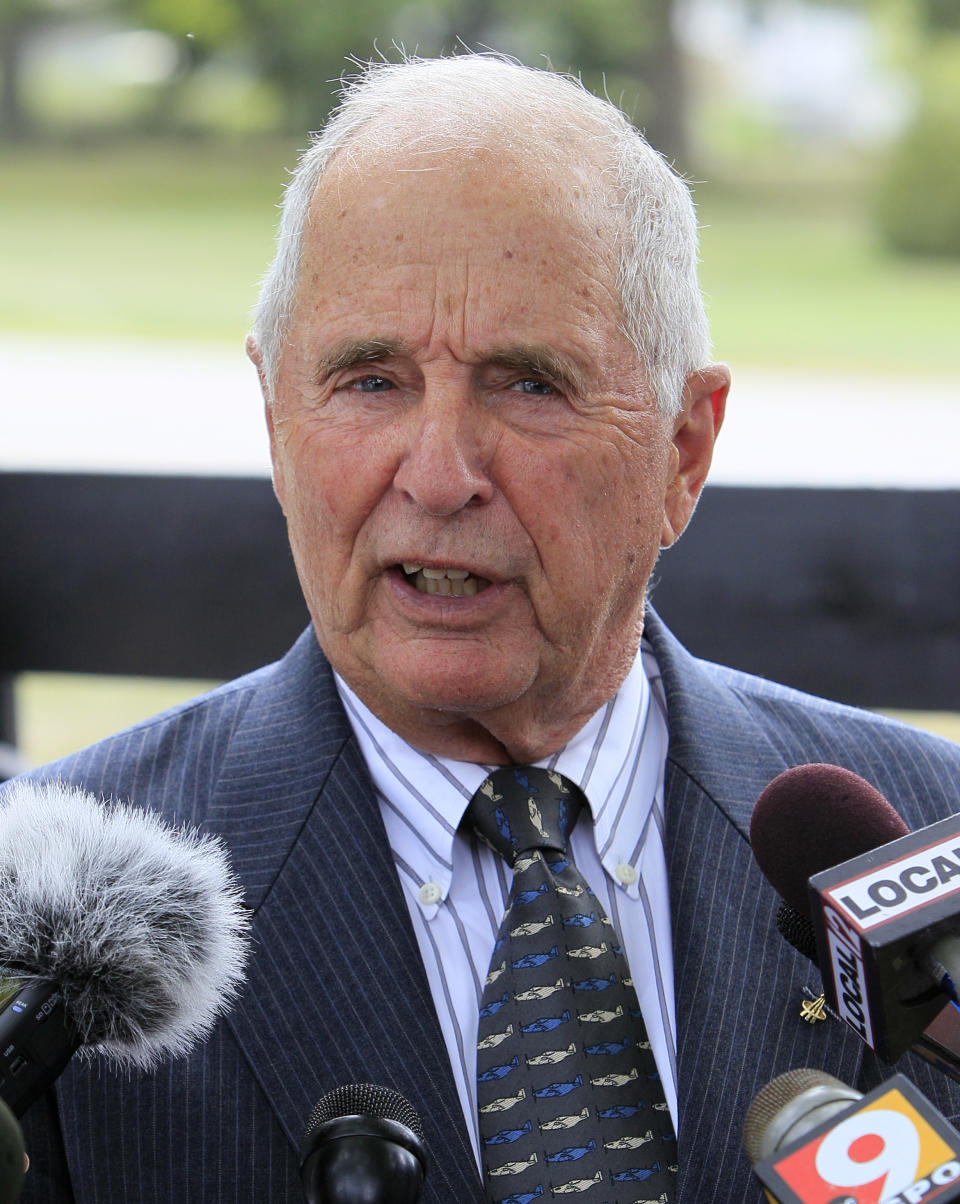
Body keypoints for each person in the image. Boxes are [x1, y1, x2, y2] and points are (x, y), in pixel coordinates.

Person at [9, 53, 960, 1204]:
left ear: (683, 451)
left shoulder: (929, 836)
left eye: (528, 383)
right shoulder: (44, 944)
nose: (442, 472)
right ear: (275, 423)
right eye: (369, 380)